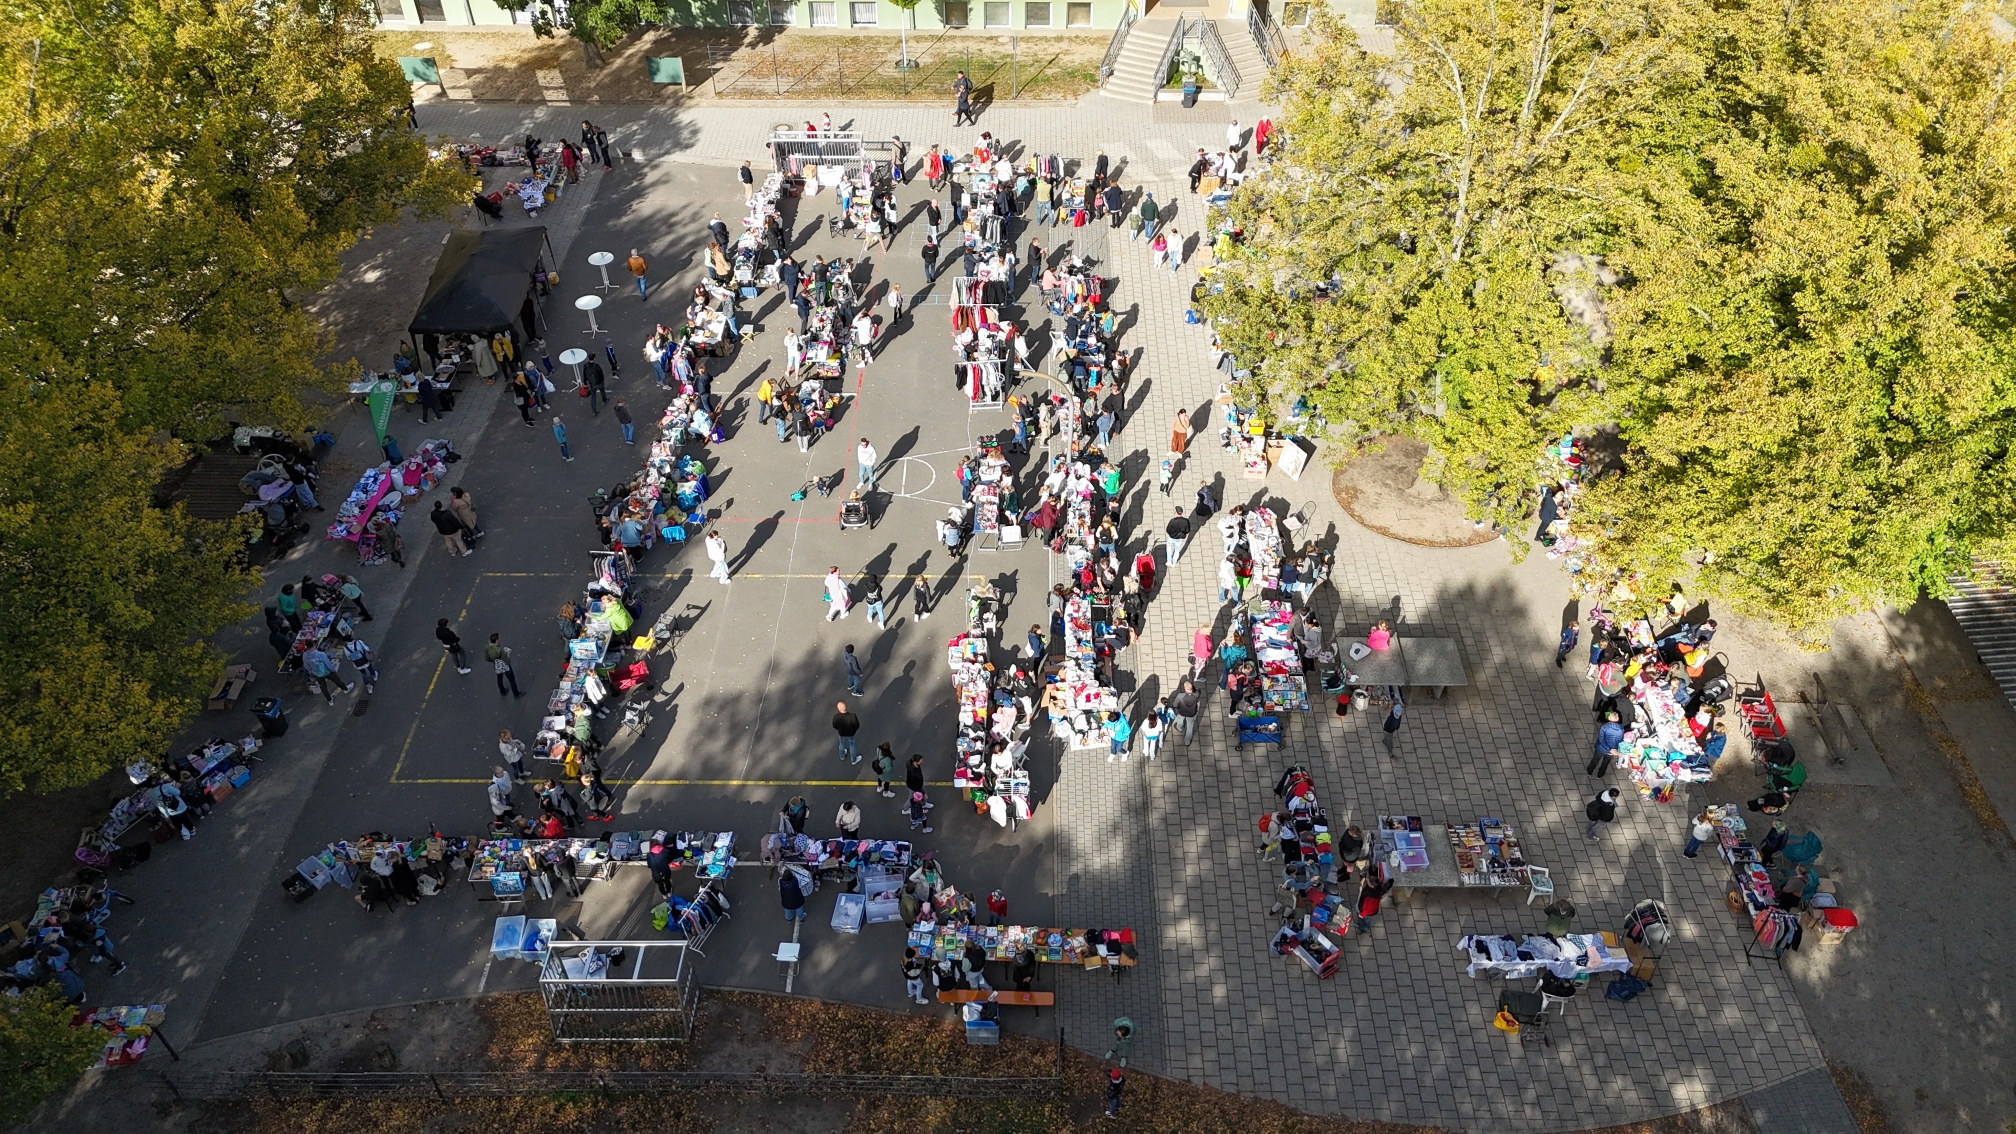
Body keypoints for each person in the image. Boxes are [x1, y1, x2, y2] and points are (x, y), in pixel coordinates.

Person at [1590, 711, 1623, 777]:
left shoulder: (1604, 727)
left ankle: (1589, 771)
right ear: (1617, 718)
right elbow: (1620, 741)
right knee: (1605, 763)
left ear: (1609, 718)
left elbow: (1601, 739)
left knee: (1595, 760)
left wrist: (1609, 749)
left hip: (1601, 748)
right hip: (1612, 750)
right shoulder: (1621, 729)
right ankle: (1600, 774)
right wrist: (1615, 750)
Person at [1171, 679, 1201, 745]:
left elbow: (1175, 704)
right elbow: (1198, 693)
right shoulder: (1196, 694)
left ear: (1185, 688)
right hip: (1192, 713)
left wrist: (1174, 708)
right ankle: (1187, 741)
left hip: (1182, 712)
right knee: (1190, 726)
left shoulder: (1180, 696)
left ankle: (1179, 728)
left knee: (1180, 719)